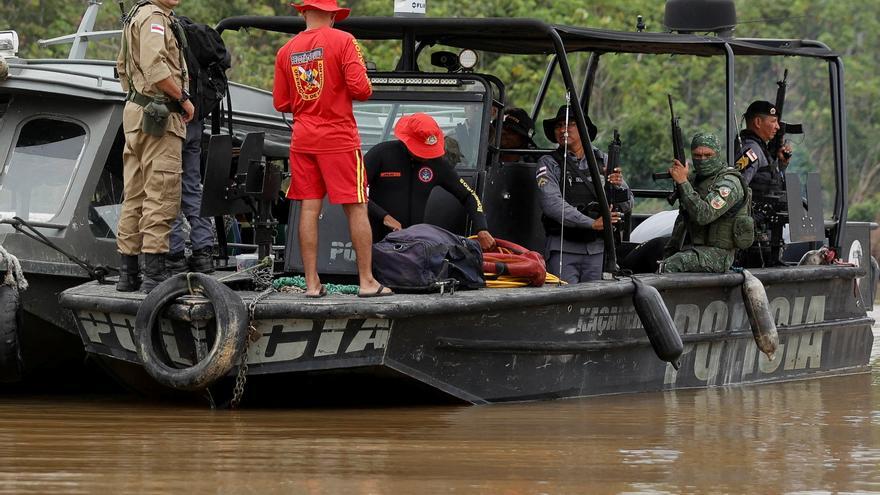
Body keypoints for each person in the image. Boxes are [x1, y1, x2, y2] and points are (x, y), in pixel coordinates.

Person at [273, 0, 391, 298]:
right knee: (357, 206)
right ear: (332, 15)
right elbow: (361, 90)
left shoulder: (286, 51)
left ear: (304, 12)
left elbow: (282, 103)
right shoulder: (343, 40)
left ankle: (312, 284)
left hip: (303, 139)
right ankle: (366, 282)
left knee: (309, 209)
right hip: (338, 138)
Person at [115, 0, 195, 293]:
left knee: (134, 194)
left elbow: (123, 70)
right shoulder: (154, 18)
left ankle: (128, 274)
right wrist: (184, 99)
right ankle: (154, 277)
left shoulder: (137, 15)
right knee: (161, 192)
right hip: (158, 116)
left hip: (137, 113)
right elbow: (155, 68)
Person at [365, 113, 496, 250]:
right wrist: (384, 217)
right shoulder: (381, 154)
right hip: (376, 242)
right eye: (421, 149)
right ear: (407, 140)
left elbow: (469, 196)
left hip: (414, 246)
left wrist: (481, 228)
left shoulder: (437, 163)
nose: (425, 156)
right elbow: (354, 190)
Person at [536, 105, 632, 283]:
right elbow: (552, 204)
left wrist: (617, 186)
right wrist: (591, 223)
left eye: (570, 124)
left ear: (583, 129)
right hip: (563, 249)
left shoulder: (603, 160)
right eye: (558, 126)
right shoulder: (549, 163)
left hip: (598, 250)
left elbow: (628, 205)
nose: (563, 129)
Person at [660, 133, 750, 273]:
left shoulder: (729, 183)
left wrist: (683, 182)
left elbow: (704, 215)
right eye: (697, 155)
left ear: (718, 154)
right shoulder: (695, 180)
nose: (702, 160)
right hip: (692, 247)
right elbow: (682, 219)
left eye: (708, 155)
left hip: (718, 255)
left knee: (672, 264)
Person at [735, 100, 793, 266]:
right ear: (758, 122)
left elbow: (767, 182)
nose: (777, 127)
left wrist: (780, 165)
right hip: (753, 238)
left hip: (766, 233)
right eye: (773, 121)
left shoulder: (761, 150)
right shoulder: (750, 151)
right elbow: (738, 188)